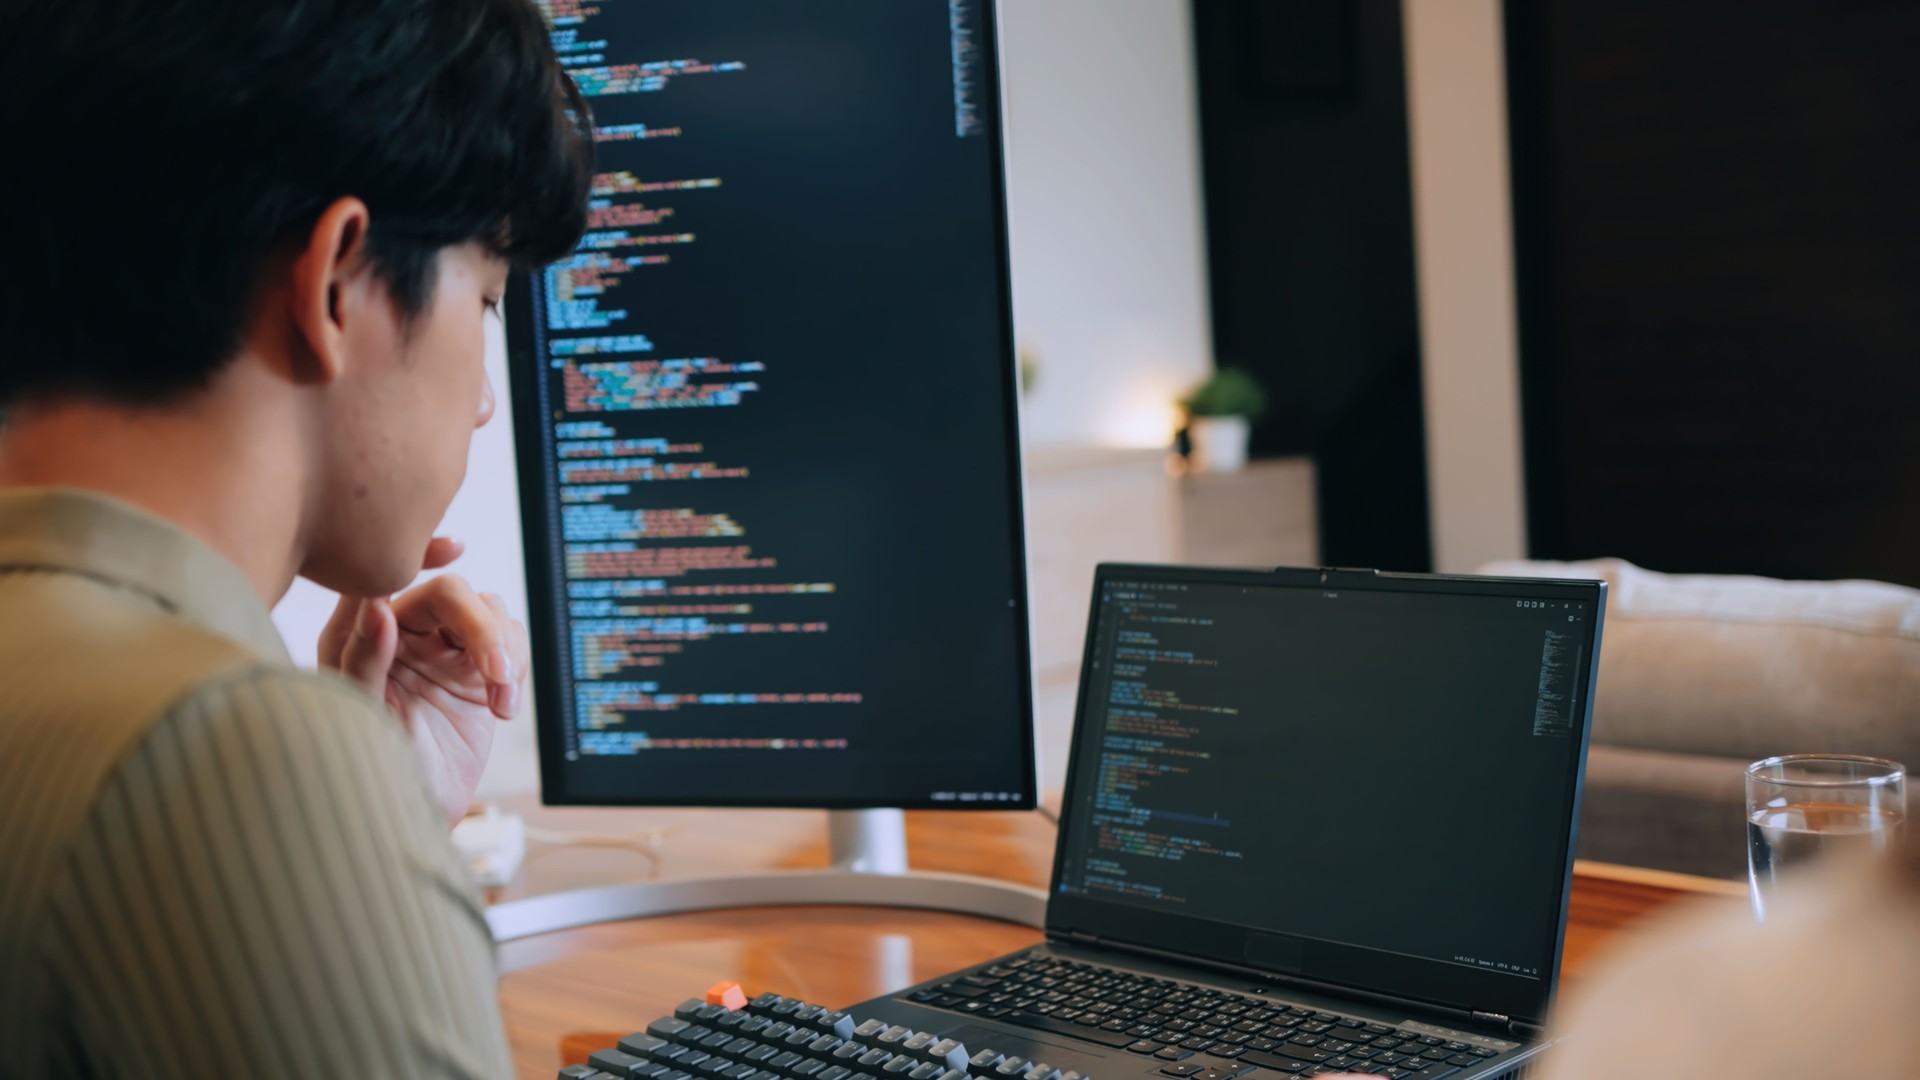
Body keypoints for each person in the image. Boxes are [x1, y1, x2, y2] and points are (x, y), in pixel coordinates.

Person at [0, 0, 593, 1075]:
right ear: (334, 283)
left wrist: (375, 835)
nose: (482, 408)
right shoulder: (225, 757)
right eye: (491, 302)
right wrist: (319, 799)